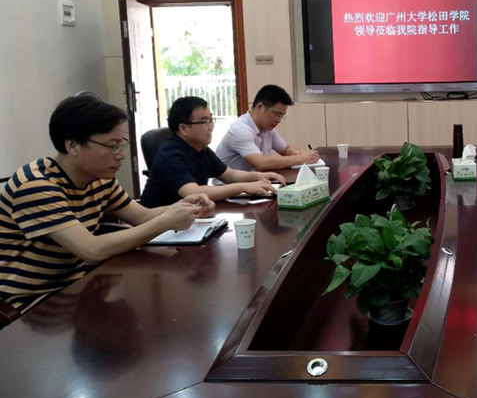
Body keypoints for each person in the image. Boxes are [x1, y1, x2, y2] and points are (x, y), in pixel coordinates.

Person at [0, 95, 214, 316]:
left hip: (77, 287)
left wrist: (185, 206)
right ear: (72, 145)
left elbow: (143, 216)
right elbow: (91, 250)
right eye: (112, 146)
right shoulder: (36, 186)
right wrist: (166, 222)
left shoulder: (99, 179)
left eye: (121, 144)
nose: (121, 155)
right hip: (31, 308)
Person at [140, 96, 285, 208]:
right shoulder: (171, 154)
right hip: (160, 225)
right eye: (205, 121)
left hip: (189, 217)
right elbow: (193, 192)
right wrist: (243, 187)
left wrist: (258, 176)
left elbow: (229, 175)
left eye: (211, 119)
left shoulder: (200, 148)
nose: (211, 126)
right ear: (184, 128)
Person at [216, 84, 319, 172]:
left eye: (281, 116)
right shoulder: (240, 130)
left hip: (254, 183)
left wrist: (295, 152)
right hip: (232, 188)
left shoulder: (267, 129)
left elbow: (286, 149)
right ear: (260, 107)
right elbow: (261, 163)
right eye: (277, 114)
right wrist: (300, 158)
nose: (279, 120)